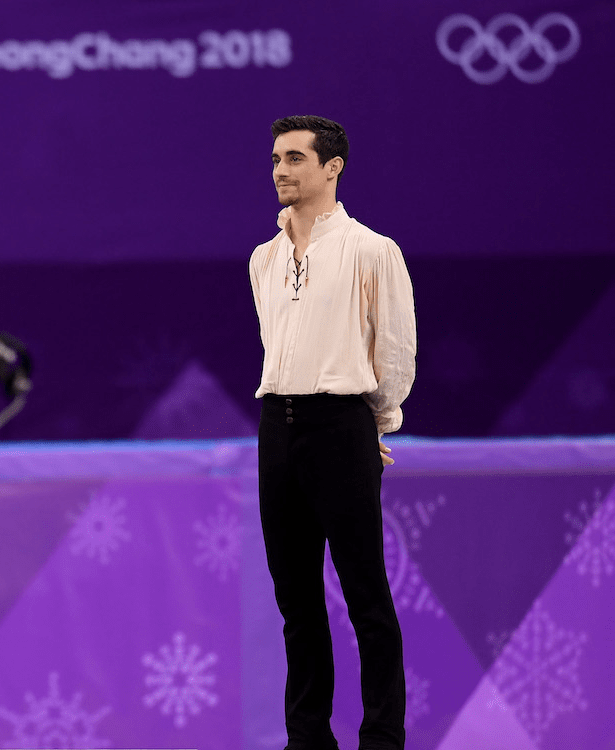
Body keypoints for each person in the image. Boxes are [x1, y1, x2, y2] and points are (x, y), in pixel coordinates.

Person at [250, 116, 416, 750]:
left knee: (365, 596)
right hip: (278, 431)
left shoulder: (372, 250)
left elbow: (395, 350)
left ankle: (381, 738)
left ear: (332, 167)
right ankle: (307, 738)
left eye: (295, 158)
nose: (281, 170)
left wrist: (372, 424)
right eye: (275, 160)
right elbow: (279, 348)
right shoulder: (263, 259)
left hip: (341, 426)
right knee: (296, 601)